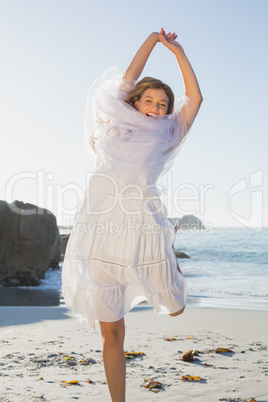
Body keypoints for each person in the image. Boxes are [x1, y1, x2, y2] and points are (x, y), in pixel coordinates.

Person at [62, 28, 202, 402]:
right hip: (100, 228)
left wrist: (178, 53)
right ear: (136, 101)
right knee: (112, 333)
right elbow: (126, 80)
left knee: (174, 309)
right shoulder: (118, 122)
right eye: (150, 101)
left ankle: (172, 263)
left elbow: (196, 98)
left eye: (163, 104)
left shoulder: (169, 132)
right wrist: (152, 42)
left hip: (143, 227)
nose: (157, 108)